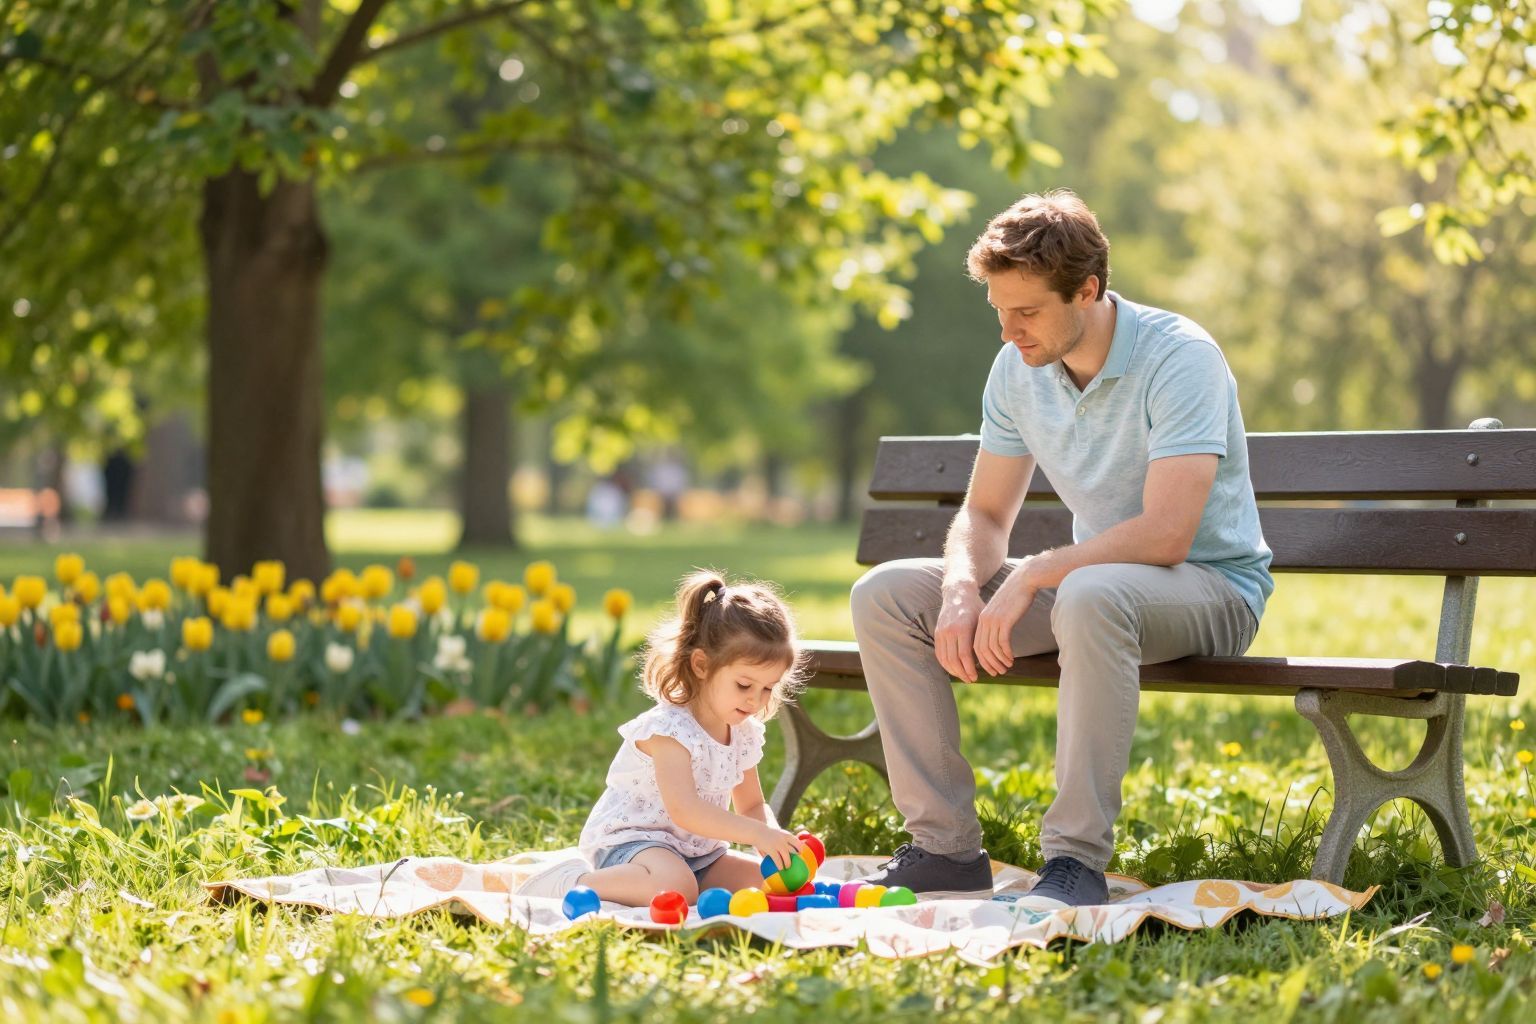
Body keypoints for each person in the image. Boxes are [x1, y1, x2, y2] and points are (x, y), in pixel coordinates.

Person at [851, 190, 1273, 906]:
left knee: (1087, 592)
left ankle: (1075, 861)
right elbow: (986, 513)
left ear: (1087, 290)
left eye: (1027, 311)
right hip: (1094, 590)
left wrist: (1036, 573)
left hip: (1211, 588)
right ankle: (944, 848)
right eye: (999, 311)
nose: (1008, 331)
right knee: (886, 595)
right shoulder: (1016, 368)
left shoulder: (1180, 357)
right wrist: (960, 587)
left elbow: (1168, 532)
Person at [518, 571, 809, 904]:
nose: (755, 700)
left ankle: (680, 883)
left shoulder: (743, 733)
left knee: (766, 884)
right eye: (744, 685)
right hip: (634, 844)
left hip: (699, 853)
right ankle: (571, 881)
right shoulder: (670, 730)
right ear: (702, 665)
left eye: (768, 688)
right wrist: (757, 832)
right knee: (676, 886)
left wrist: (772, 841)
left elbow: (752, 805)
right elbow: (685, 809)